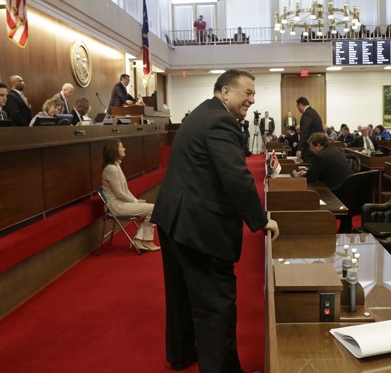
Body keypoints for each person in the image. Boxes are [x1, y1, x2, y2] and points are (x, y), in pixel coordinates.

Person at [151, 69, 279, 372]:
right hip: (198, 226)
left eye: (253, 93)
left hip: (173, 219)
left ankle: (182, 353)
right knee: (215, 304)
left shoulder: (202, 113)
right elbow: (236, 176)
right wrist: (260, 220)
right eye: (247, 92)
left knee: (181, 294)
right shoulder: (221, 121)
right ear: (225, 92)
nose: (252, 99)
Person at [102, 139, 159, 252]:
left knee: (153, 209)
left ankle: (140, 240)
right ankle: (145, 240)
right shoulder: (111, 169)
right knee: (154, 209)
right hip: (117, 206)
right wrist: (135, 202)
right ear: (114, 150)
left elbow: (125, 190)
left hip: (121, 204)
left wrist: (136, 200)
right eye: (121, 147)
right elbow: (119, 193)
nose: (124, 149)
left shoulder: (116, 166)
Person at [296, 96, 324, 162]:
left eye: (297, 107)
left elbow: (304, 132)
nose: (298, 109)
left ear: (300, 104)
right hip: (316, 147)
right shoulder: (312, 112)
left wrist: (300, 149)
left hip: (310, 149)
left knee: (308, 166)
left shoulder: (307, 114)